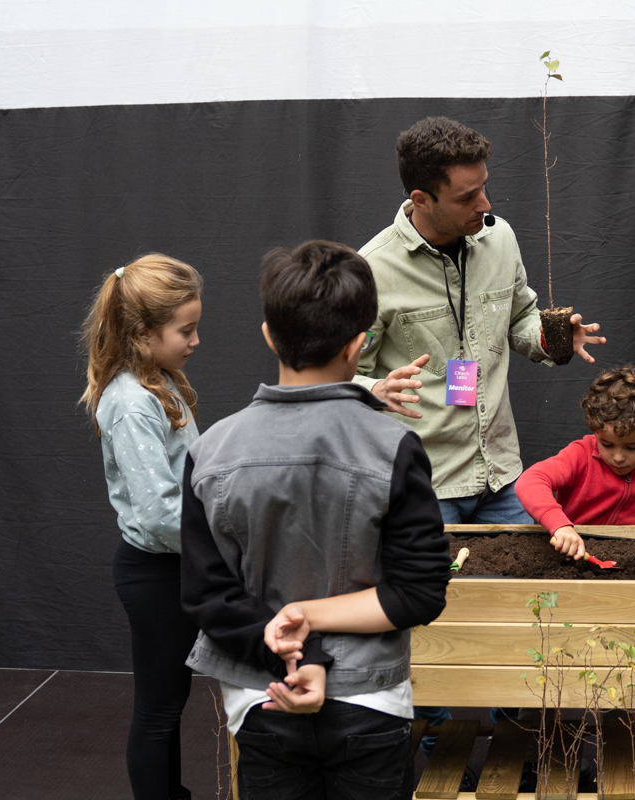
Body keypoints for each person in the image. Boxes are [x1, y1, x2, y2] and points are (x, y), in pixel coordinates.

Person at [180, 240, 452, 800]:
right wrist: (310, 623)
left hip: (261, 700)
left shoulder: (209, 450)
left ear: (267, 334)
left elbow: (207, 596)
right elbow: (419, 593)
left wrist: (288, 626)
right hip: (370, 705)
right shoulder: (394, 446)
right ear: (360, 345)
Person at [353, 116, 607, 526]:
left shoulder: (499, 238)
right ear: (421, 199)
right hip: (425, 489)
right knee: (437, 592)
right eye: (467, 197)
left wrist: (550, 337)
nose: (485, 204)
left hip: (503, 479)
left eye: (484, 187)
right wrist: (377, 389)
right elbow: (338, 376)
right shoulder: (370, 271)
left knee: (533, 591)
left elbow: (520, 315)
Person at [79, 254, 203, 800]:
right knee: (158, 708)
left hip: (179, 566)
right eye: (186, 330)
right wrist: (222, 543)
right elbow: (158, 513)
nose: (195, 340)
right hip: (156, 575)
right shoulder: (131, 403)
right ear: (141, 333)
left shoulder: (160, 383)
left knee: (170, 703)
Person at [515, 363, 635, 560]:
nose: (618, 457)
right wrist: (559, 525)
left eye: (631, 447)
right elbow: (530, 481)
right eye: (607, 444)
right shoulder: (580, 455)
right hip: (575, 555)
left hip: (633, 560)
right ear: (595, 430)